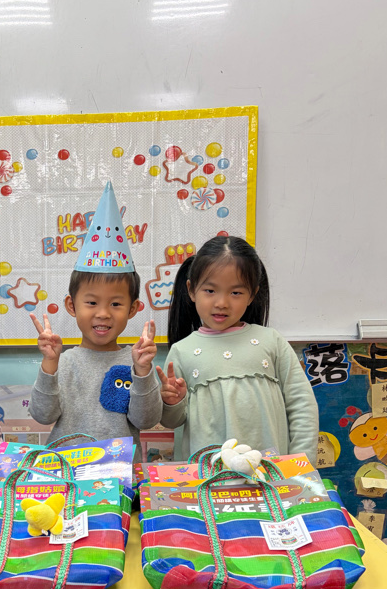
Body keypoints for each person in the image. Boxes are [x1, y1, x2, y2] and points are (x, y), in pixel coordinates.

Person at [158, 235, 318, 463]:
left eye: (236, 293)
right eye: (210, 290)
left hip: (270, 475)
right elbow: (172, 421)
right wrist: (172, 402)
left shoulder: (271, 341)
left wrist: (301, 463)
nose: (221, 303)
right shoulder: (182, 351)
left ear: (252, 294)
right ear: (191, 290)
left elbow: (302, 404)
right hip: (208, 478)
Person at [29, 181, 162, 442]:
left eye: (115, 304)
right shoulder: (64, 362)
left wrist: (143, 371)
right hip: (67, 466)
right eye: (91, 303)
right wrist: (50, 364)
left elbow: (146, 420)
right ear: (71, 305)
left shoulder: (136, 361)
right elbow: (42, 415)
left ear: (133, 308)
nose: (103, 313)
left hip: (120, 466)